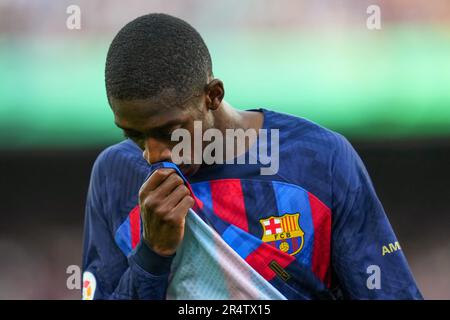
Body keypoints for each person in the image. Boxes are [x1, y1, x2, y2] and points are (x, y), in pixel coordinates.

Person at [82, 13, 422, 300]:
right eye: (133, 134)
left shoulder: (321, 159)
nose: (152, 154)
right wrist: (152, 254)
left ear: (213, 96)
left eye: (169, 131)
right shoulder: (115, 174)